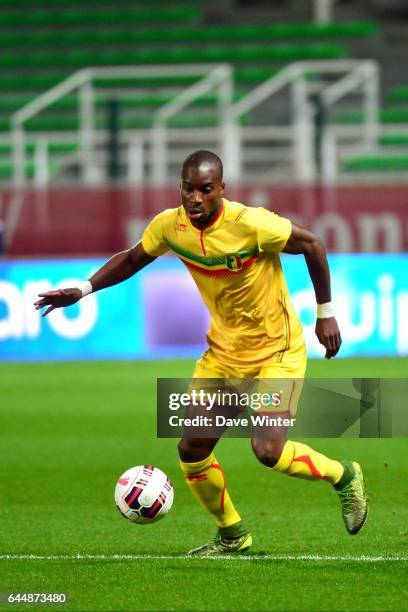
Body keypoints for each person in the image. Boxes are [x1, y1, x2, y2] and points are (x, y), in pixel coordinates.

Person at [34, 150, 368, 555]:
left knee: (267, 451)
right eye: (187, 189)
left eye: (204, 190)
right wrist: (83, 289)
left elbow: (313, 244)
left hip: (276, 351)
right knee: (192, 450)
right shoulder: (170, 226)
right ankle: (232, 535)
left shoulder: (251, 224)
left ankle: (344, 475)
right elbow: (133, 258)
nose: (194, 198)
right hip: (223, 356)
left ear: (221, 190)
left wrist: (326, 315)